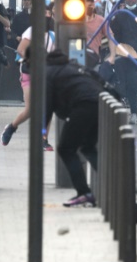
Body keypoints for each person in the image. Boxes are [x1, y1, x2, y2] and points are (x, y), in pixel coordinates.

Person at [40, 48, 107, 207]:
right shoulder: (75, 67)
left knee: (66, 149)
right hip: (100, 103)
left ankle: (84, 192)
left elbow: (47, 104)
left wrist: (42, 130)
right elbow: (98, 79)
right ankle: (115, 183)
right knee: (88, 147)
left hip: (82, 106)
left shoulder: (48, 72)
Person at [1, 17, 56, 150]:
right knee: (30, 109)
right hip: (29, 72)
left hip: (44, 74)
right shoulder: (31, 31)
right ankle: (11, 127)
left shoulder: (53, 36)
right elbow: (21, 49)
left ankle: (44, 140)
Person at [107, 0, 137, 123]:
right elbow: (112, 32)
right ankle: (134, 112)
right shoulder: (120, 15)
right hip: (127, 53)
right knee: (130, 82)